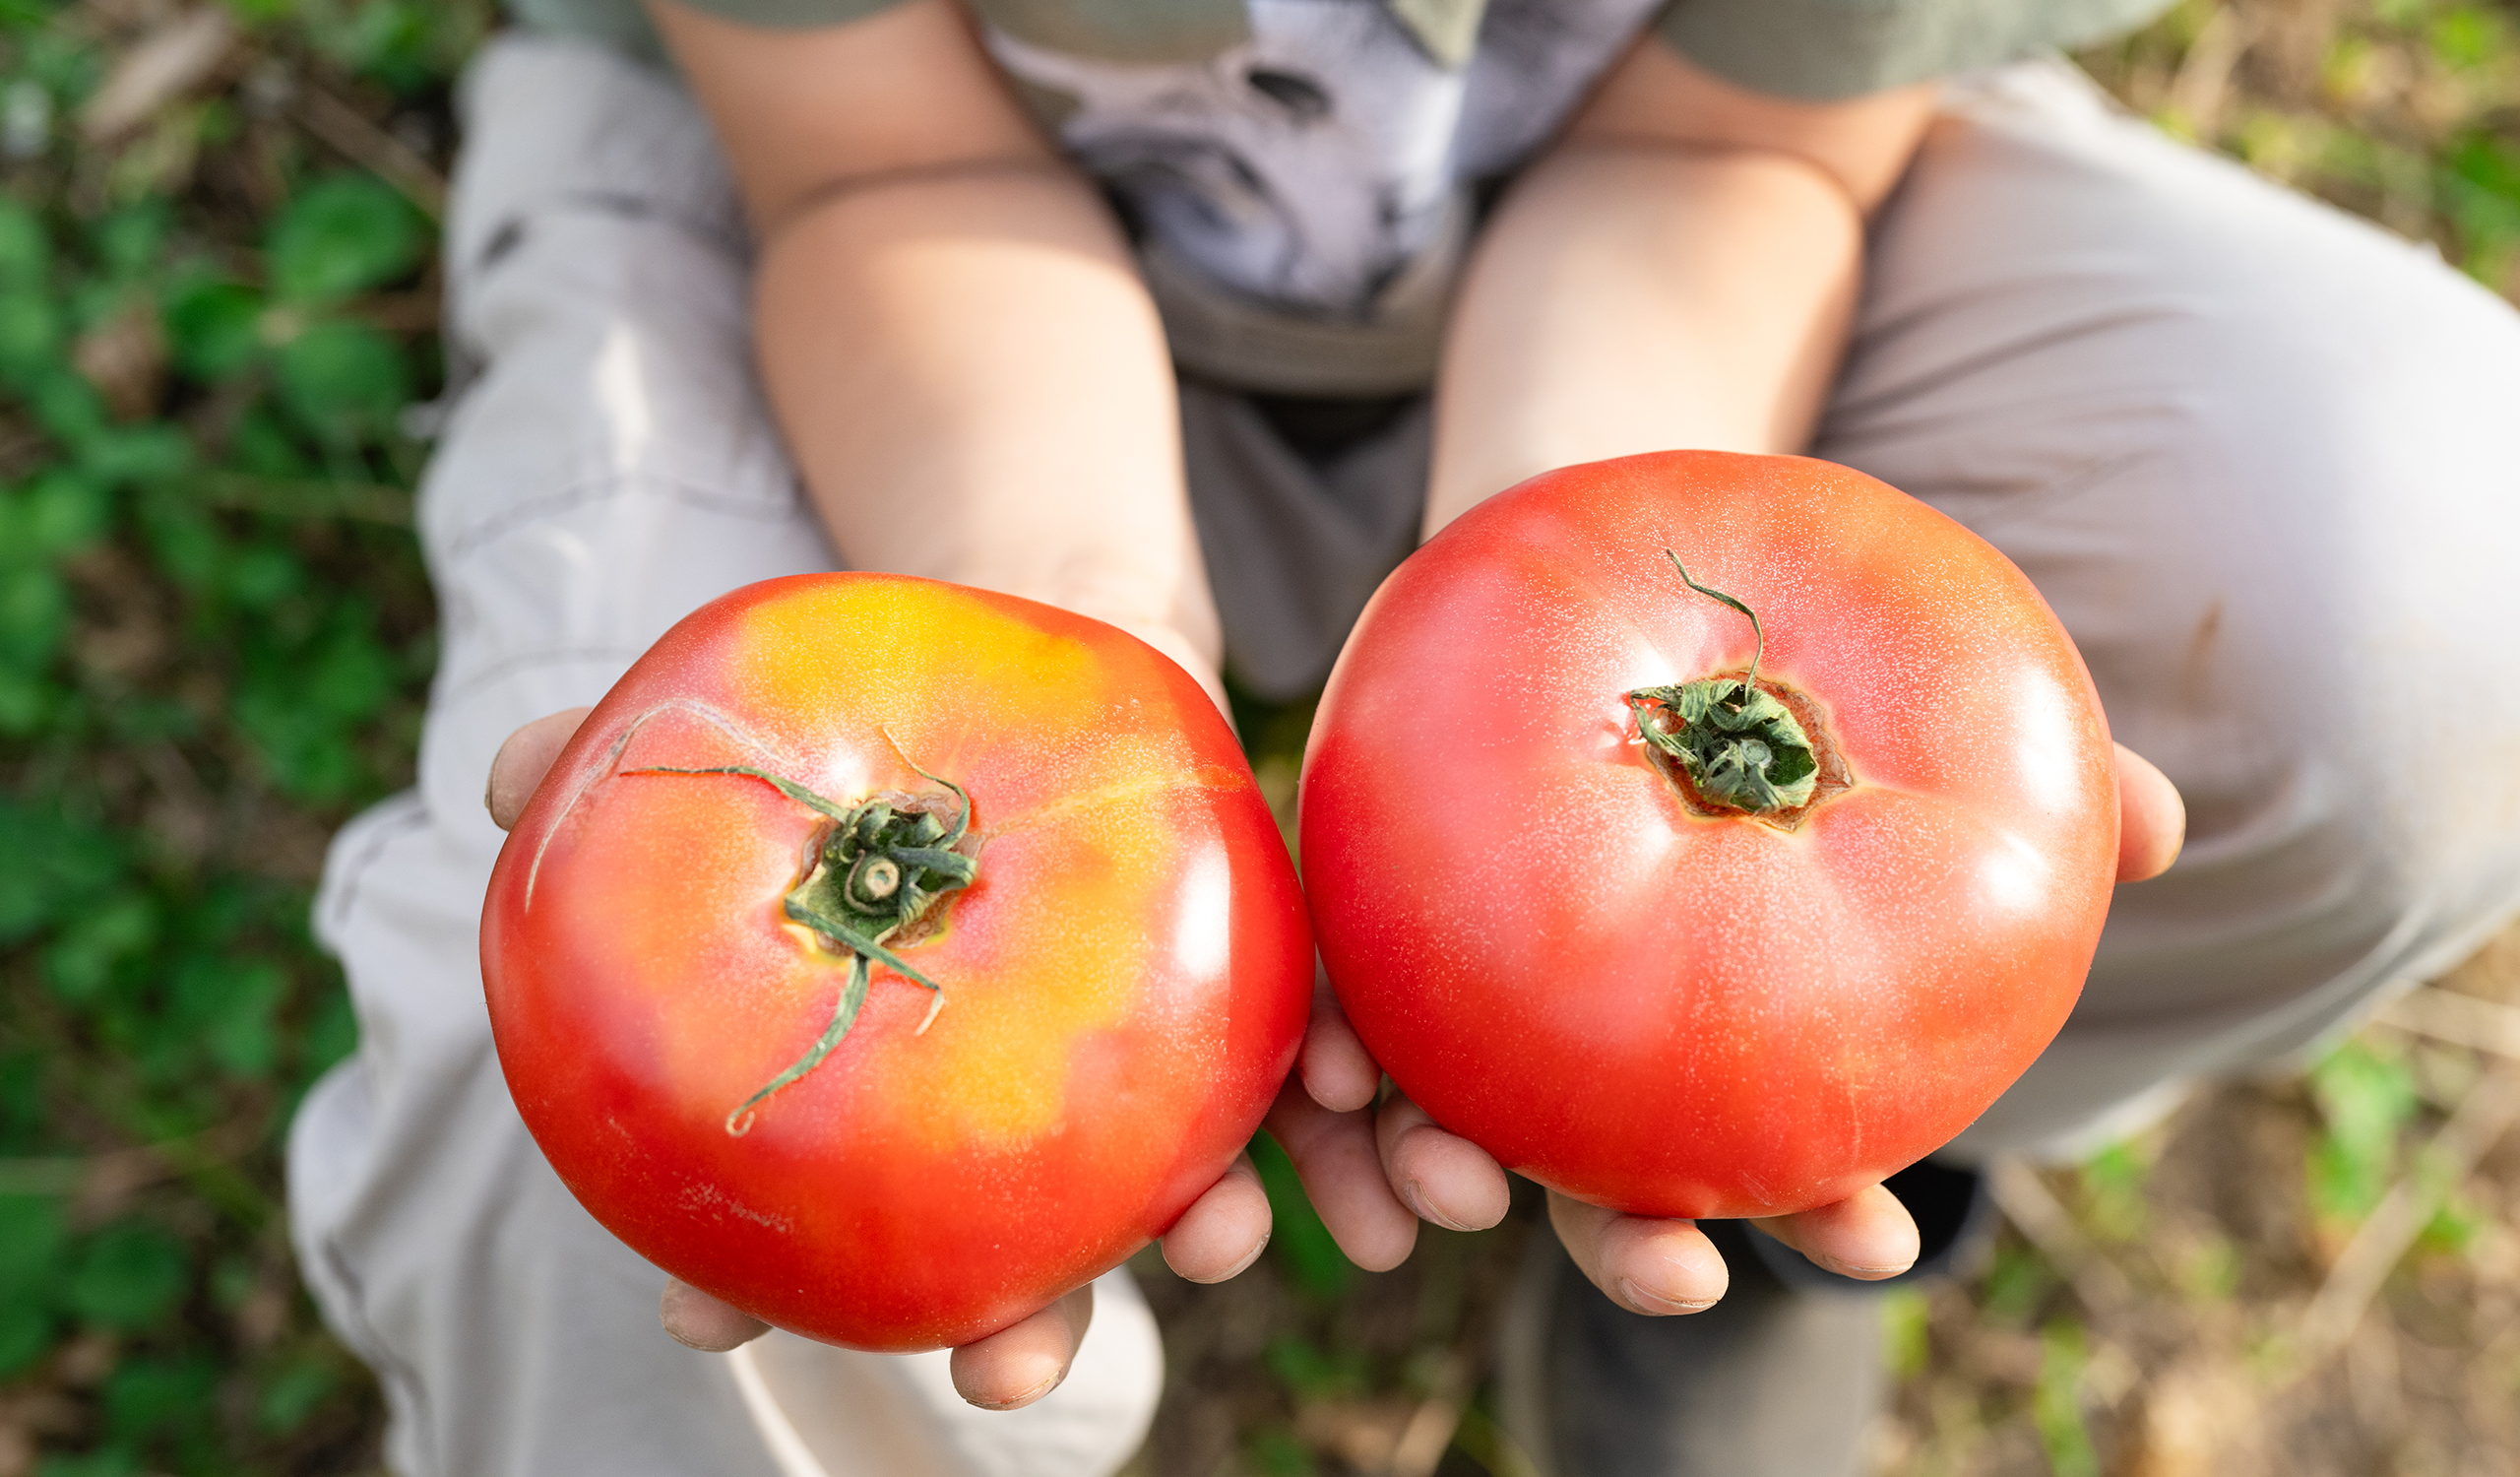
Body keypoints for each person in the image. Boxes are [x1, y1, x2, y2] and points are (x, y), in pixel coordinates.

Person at [284, 0, 2520, 1473]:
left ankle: (1740, 1161)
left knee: (2434, 605)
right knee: (586, 1131)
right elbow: (879, 174)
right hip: (865, 209)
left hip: (1675, 197)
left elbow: (1722, 152)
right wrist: (1068, 692)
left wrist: (1554, 643)